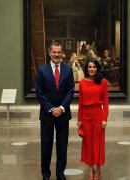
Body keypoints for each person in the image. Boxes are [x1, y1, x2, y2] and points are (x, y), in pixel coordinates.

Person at [36, 42, 75, 180]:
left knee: (62, 146)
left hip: (63, 114)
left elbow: (70, 91)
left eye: (59, 52)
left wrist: (61, 108)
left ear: (62, 53)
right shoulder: (42, 70)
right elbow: (40, 93)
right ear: (49, 53)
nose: (57, 55)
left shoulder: (68, 70)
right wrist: (52, 109)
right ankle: (46, 175)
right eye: (54, 52)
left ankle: (60, 174)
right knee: (46, 146)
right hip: (47, 114)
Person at [77, 59, 109, 180]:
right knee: (88, 144)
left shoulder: (103, 82)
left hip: (98, 116)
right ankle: (91, 169)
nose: (92, 69)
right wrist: (79, 119)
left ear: (97, 68)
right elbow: (80, 103)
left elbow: (106, 103)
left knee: (99, 144)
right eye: (90, 67)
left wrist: (105, 118)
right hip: (86, 117)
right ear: (86, 69)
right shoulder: (82, 83)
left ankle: (98, 169)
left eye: (94, 67)